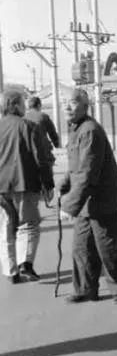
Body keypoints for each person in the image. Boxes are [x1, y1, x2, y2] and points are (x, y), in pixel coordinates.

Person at [59, 89, 117, 303]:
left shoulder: (89, 130)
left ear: (85, 106)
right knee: (81, 248)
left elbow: (87, 174)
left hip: (103, 200)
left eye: (72, 102)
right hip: (86, 203)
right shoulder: (77, 129)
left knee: (109, 247)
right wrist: (63, 185)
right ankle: (84, 289)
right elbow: (76, 167)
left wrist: (68, 206)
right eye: (64, 102)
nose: (67, 107)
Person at [0, 89, 54, 283]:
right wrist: (48, 183)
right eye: (22, 103)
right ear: (14, 105)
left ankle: (11, 271)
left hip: (1, 188)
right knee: (29, 225)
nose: (25, 106)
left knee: (5, 229)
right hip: (25, 183)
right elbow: (42, 159)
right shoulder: (29, 127)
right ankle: (26, 263)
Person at [25, 95, 60, 171]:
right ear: (38, 105)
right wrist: (57, 144)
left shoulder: (23, 118)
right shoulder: (43, 116)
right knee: (47, 179)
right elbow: (52, 133)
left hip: (28, 154)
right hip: (44, 153)